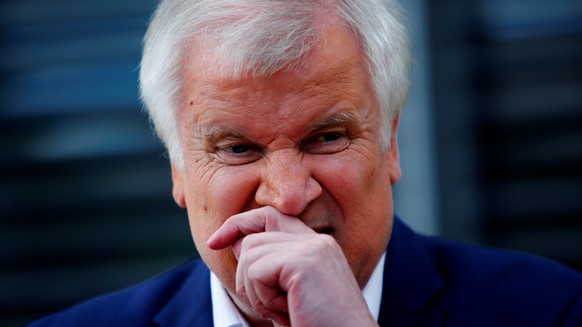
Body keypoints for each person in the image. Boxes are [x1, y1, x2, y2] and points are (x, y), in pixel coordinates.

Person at [29, 0, 582, 326]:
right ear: (178, 170)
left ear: (390, 144)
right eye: (237, 148)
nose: (289, 196)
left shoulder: (552, 311)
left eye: (327, 137)